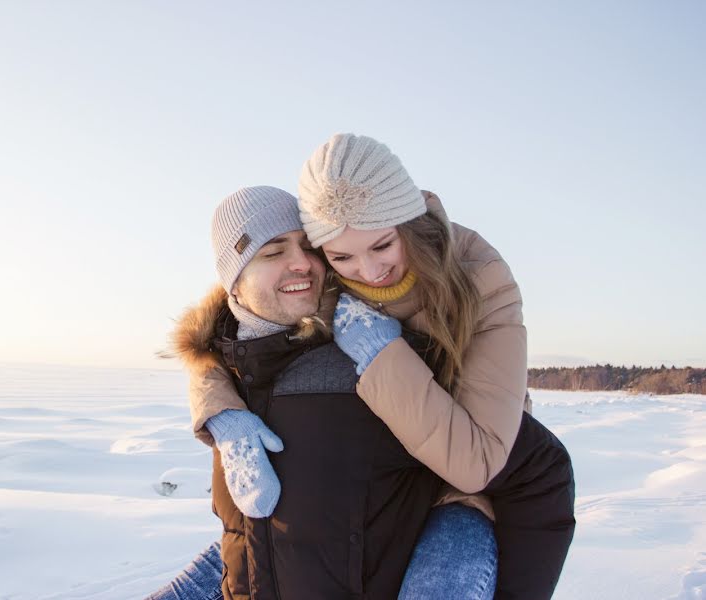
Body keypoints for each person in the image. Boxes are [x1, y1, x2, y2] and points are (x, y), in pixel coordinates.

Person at [160, 135, 574, 599]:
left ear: (407, 226)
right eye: (339, 257)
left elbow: (492, 464)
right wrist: (220, 409)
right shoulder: (317, 291)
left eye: (382, 245)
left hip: (470, 462)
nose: (368, 271)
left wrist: (381, 353)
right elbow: (235, 325)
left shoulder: (476, 282)